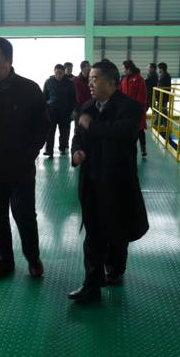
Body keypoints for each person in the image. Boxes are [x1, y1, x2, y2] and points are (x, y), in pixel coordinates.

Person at [69, 59, 149, 303]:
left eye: (95, 79)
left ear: (112, 83)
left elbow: (121, 133)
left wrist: (92, 126)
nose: (90, 84)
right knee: (93, 233)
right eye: (90, 79)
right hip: (92, 180)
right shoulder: (86, 107)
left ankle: (115, 269)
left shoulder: (131, 108)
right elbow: (77, 136)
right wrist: (76, 152)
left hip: (117, 182)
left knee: (117, 230)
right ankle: (91, 286)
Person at [0, 37, 50, 280]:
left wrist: (29, 153)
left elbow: (42, 126)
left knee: (25, 216)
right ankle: (5, 260)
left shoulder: (29, 89)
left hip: (20, 169)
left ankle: (33, 258)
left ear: (9, 61)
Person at [43, 64, 76, 157]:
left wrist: (71, 111)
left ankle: (62, 148)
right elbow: (44, 96)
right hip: (51, 112)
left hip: (65, 113)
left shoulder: (69, 83)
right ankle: (49, 151)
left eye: (60, 73)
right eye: (57, 73)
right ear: (54, 72)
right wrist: (45, 108)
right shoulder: (48, 82)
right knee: (50, 133)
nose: (58, 75)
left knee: (64, 133)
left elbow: (73, 98)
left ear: (64, 73)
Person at [121, 60, 148, 157]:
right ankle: (130, 150)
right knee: (129, 130)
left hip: (137, 110)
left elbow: (142, 96)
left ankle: (143, 148)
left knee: (139, 130)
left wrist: (137, 109)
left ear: (129, 69)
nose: (123, 70)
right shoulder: (124, 79)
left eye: (124, 68)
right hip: (126, 110)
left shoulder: (139, 80)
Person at [73, 60, 92, 129]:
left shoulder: (92, 79)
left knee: (89, 127)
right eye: (88, 66)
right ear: (82, 68)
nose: (90, 68)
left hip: (90, 107)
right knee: (78, 128)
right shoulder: (75, 80)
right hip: (78, 109)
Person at [155, 62, 172, 127]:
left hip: (163, 96)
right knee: (160, 109)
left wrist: (157, 95)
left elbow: (161, 86)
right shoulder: (164, 75)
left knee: (163, 110)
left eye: (158, 68)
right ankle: (159, 123)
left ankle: (163, 124)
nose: (158, 70)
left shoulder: (165, 76)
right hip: (162, 96)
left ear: (161, 69)